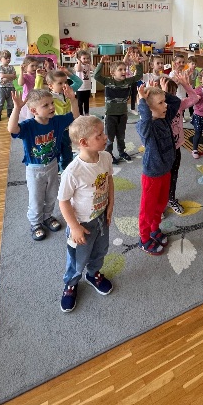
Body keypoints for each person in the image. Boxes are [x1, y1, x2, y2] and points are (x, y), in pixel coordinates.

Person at [58, 116, 114, 312]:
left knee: (100, 250)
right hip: (81, 225)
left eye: (103, 132)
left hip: (101, 218)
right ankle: (71, 283)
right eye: (99, 135)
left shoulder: (105, 157)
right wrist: (74, 227)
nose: (105, 137)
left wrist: (110, 204)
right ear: (83, 142)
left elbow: (109, 180)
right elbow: (63, 201)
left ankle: (93, 274)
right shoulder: (73, 172)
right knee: (77, 259)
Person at [8, 86, 79, 241]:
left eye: (51, 103)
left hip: (53, 165)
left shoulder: (56, 121)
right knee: (36, 198)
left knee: (52, 194)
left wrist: (73, 100)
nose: (52, 107)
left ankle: (47, 217)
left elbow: (75, 116)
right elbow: (12, 129)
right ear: (34, 110)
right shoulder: (28, 126)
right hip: (35, 170)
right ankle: (35, 223)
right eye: (45, 105)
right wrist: (17, 108)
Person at [135, 80, 181, 255]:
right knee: (148, 209)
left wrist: (163, 93)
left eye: (164, 102)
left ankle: (155, 229)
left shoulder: (164, 118)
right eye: (161, 103)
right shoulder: (146, 127)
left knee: (160, 204)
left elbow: (176, 102)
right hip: (152, 175)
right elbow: (146, 118)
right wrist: (142, 100)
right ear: (148, 108)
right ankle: (144, 238)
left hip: (165, 171)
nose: (166, 105)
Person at [93, 52, 143, 164]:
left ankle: (121, 152)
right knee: (109, 138)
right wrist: (101, 63)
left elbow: (138, 76)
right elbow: (96, 76)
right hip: (110, 115)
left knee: (121, 136)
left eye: (124, 69)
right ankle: (108, 154)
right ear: (113, 73)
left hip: (123, 114)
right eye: (120, 70)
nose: (124, 72)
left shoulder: (127, 82)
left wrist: (137, 64)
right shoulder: (108, 81)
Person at [164, 75, 200, 214]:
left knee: (174, 175)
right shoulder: (157, 109)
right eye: (168, 92)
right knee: (162, 178)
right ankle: (160, 203)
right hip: (163, 151)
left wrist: (186, 85)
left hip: (177, 147)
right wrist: (163, 94)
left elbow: (195, 98)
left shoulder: (178, 104)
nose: (172, 95)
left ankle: (171, 198)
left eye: (173, 92)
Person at [45, 69, 75, 171]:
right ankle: (55, 171)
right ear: (50, 86)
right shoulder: (49, 97)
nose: (64, 85)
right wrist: (39, 78)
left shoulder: (67, 94)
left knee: (67, 152)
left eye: (65, 82)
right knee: (54, 153)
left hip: (66, 130)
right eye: (60, 83)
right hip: (54, 131)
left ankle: (67, 170)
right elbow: (37, 91)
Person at [0, 50, 17, 121]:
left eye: (9, 58)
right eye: (6, 58)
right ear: (0, 59)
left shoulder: (11, 67)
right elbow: (2, 75)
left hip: (11, 87)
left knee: (11, 102)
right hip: (1, 88)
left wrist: (6, 78)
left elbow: (14, 76)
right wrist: (11, 76)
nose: (8, 59)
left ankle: (9, 113)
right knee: (0, 102)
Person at [17, 56, 40, 120]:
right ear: (25, 67)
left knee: (36, 114)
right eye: (32, 66)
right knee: (28, 116)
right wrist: (21, 71)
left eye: (36, 66)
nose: (35, 67)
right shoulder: (25, 75)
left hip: (36, 98)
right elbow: (20, 83)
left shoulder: (38, 75)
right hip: (27, 100)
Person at [74, 49, 93, 115]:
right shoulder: (77, 65)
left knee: (86, 101)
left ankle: (87, 113)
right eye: (84, 58)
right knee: (80, 102)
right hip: (80, 88)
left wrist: (90, 63)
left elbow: (95, 70)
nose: (86, 60)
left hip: (87, 87)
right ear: (79, 59)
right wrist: (79, 62)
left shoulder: (88, 66)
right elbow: (78, 69)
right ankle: (81, 114)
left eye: (87, 58)